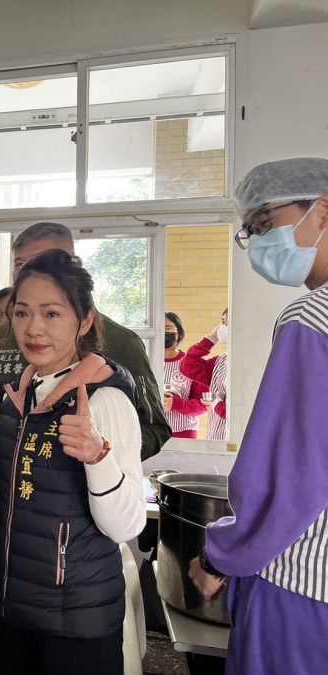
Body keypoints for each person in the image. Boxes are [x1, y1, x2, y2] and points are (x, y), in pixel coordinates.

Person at [189, 157, 328, 675]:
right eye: (250, 233)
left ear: (322, 209)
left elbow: (289, 476)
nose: (260, 241)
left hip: (303, 584)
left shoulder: (312, 319)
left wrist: (220, 555)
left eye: (265, 222)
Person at [0, 250, 146, 675]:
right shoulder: (22, 396)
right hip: (17, 610)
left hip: (77, 618)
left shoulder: (104, 399)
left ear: (85, 321)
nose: (33, 328)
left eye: (52, 314)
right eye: (21, 313)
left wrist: (98, 457)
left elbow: (128, 526)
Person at [0, 222, 170, 461]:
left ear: (75, 266)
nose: (31, 272)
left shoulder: (121, 341)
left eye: (46, 260)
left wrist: (98, 452)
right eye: (21, 264)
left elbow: (154, 428)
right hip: (6, 488)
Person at [180, 309, 228, 440]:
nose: (223, 328)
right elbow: (189, 365)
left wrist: (215, 403)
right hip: (216, 440)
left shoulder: (253, 364)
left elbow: (243, 414)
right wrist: (212, 338)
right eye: (223, 323)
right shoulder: (221, 362)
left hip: (241, 444)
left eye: (228, 324)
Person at [163, 312, 208, 439]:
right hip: (151, 433)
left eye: (168, 329)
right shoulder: (146, 363)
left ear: (179, 334)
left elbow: (204, 403)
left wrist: (176, 404)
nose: (163, 333)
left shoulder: (192, 364)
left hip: (184, 433)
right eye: (159, 329)